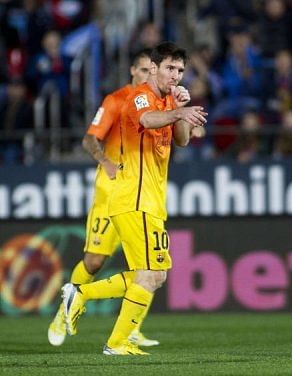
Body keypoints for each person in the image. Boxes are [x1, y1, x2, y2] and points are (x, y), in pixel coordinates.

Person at [60, 41, 207, 355]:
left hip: (152, 201)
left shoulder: (167, 101)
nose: (175, 75)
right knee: (151, 274)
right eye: (169, 68)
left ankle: (82, 295)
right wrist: (177, 110)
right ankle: (115, 340)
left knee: (155, 273)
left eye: (180, 70)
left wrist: (181, 113)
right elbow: (146, 120)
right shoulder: (139, 96)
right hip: (134, 198)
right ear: (152, 68)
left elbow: (180, 141)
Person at [48, 48, 154, 347]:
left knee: (147, 268)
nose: (148, 76)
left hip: (142, 194)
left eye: (152, 71)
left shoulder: (156, 104)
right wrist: (105, 161)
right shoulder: (116, 101)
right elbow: (89, 139)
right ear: (133, 71)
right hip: (112, 193)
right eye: (143, 70)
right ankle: (65, 308)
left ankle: (130, 328)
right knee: (94, 262)